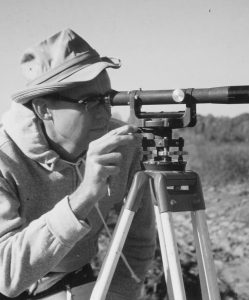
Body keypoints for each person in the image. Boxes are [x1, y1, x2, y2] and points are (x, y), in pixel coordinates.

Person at [0, 29, 156, 300]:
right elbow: (5, 273)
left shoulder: (123, 145)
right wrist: (84, 195)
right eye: (89, 101)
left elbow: (138, 238)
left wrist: (119, 292)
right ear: (43, 109)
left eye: (108, 98)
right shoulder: (4, 158)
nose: (105, 110)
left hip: (72, 279)